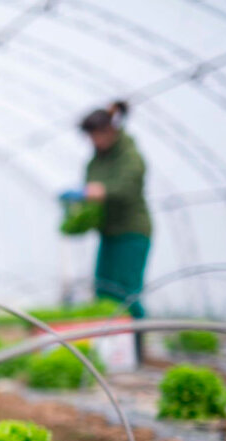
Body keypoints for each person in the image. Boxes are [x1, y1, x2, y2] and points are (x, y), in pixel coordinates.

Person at [80, 100, 152, 361]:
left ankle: (137, 351)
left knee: (127, 293)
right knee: (104, 291)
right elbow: (88, 185)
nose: (94, 141)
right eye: (90, 137)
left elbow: (128, 186)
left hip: (132, 232)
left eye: (97, 135)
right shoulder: (95, 161)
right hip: (108, 233)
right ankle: (114, 354)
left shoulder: (129, 154)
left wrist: (104, 191)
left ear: (110, 130)